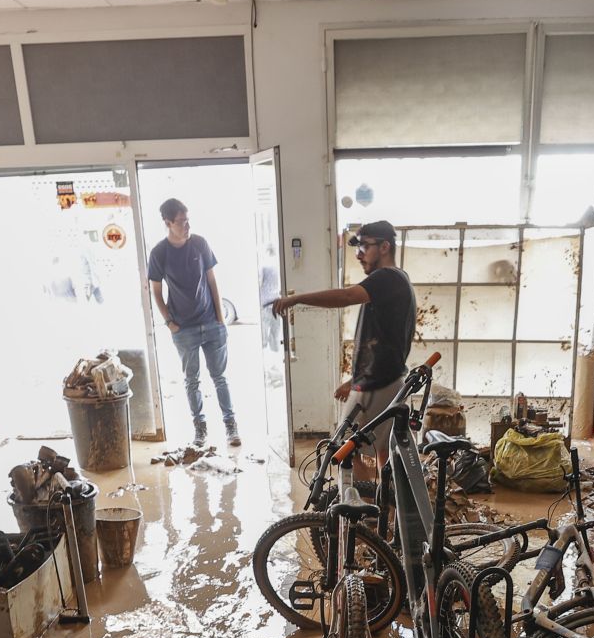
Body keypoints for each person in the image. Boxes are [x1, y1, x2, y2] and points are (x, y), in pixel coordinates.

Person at [268, 220, 414, 467]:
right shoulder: (398, 279)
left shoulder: (386, 278)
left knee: (344, 453)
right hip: (383, 381)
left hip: (378, 385)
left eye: (364, 247)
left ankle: (366, 504)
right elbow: (385, 341)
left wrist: (295, 299)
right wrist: (354, 380)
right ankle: (382, 504)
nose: (358, 255)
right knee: (381, 454)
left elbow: (346, 296)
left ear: (385, 247)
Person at [147, 198, 238, 446]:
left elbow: (212, 280)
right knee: (192, 381)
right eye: (182, 222)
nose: (187, 225)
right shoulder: (159, 253)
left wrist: (220, 318)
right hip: (183, 329)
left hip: (211, 323)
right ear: (168, 223)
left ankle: (231, 426)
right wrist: (169, 323)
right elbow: (155, 291)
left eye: (188, 220)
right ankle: (200, 429)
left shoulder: (199, 243)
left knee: (220, 377)